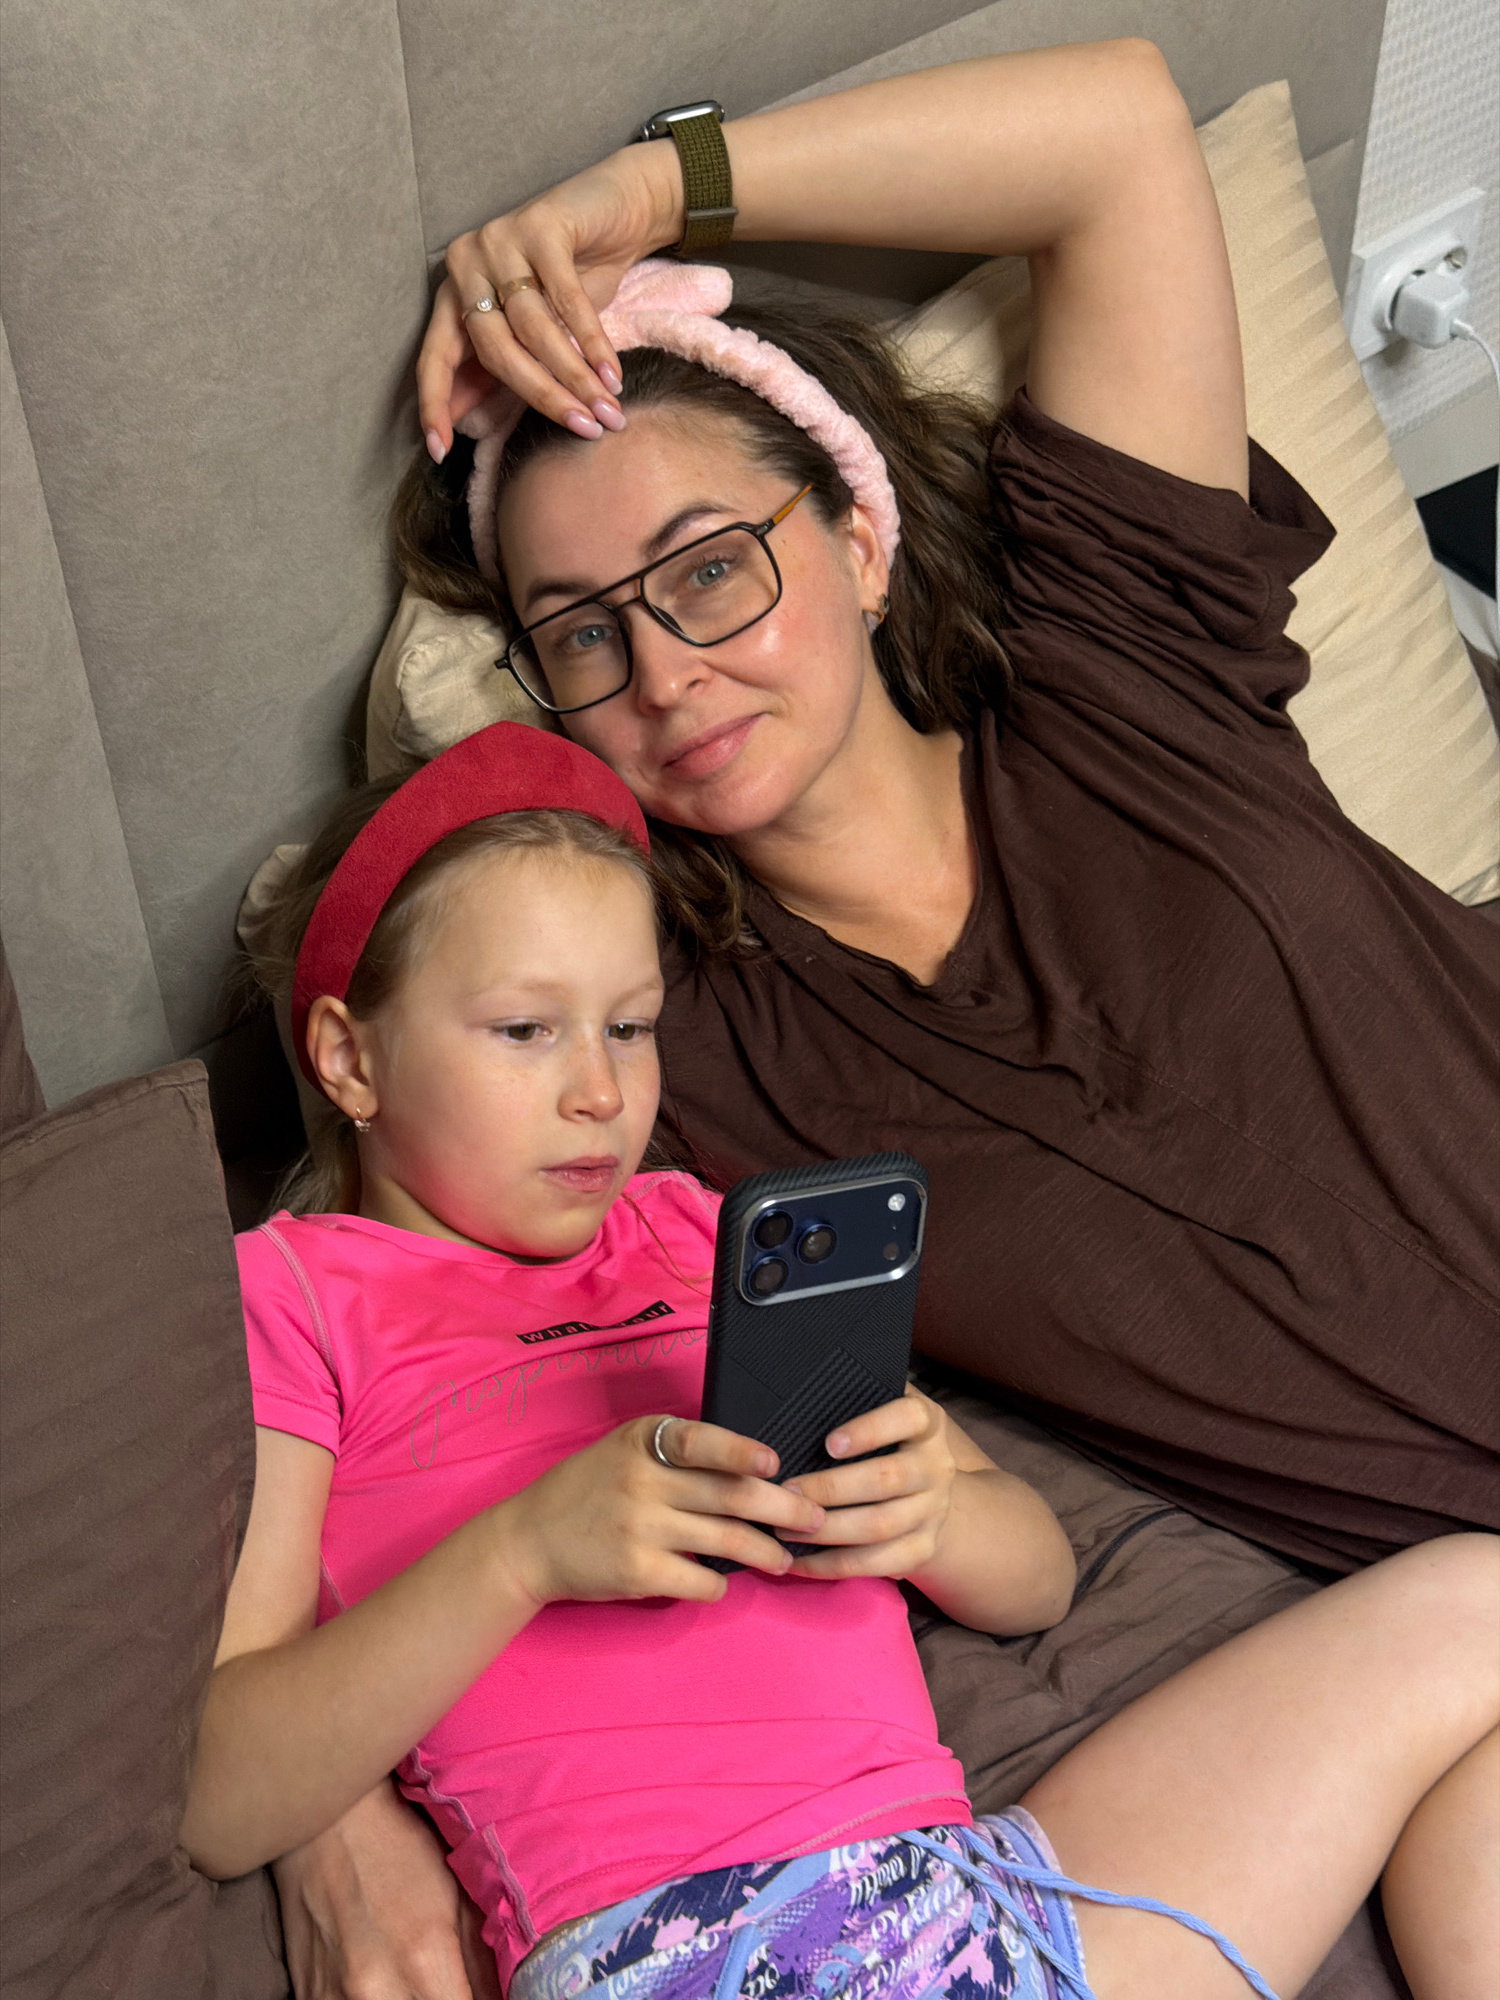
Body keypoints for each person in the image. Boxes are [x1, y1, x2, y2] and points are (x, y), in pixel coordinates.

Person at [189, 718, 1498, 2000]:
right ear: (349, 1058)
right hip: (687, 1952)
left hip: (964, 1898)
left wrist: (936, 1509)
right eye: (526, 1030)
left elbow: (1033, 1580)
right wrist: (522, 1553)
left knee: (1478, 1598)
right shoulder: (294, 1296)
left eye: (630, 1027)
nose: (600, 1091)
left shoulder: (701, 1234)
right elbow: (226, 1791)